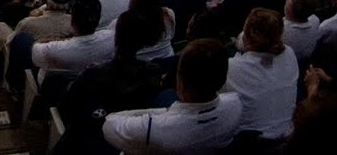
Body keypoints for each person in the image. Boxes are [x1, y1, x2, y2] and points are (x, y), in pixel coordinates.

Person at [100, 38, 242, 154]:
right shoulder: (236, 103)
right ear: (223, 79)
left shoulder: (154, 129)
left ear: (180, 82)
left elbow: (109, 125)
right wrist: (167, 111)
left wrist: (161, 113)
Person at [221, 8, 297, 141]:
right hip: (287, 134)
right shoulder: (289, 53)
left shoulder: (231, 67)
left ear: (247, 37)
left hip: (252, 143)